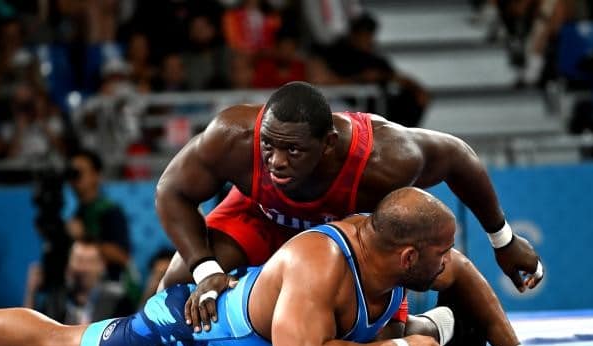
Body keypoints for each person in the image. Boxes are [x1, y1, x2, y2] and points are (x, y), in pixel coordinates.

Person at [0, 188, 593, 346]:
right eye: (440, 254)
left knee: (402, 331)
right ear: (410, 252)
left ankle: (415, 331)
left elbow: (469, 273)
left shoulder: (410, 252)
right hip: (192, 338)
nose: (451, 262)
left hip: (292, 330)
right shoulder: (318, 263)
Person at [155, 81, 545, 332]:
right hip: (261, 214)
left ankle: (432, 327)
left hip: (338, 238)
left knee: (367, 336)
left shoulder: (385, 158)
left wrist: (503, 239)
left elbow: (459, 157)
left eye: (293, 150)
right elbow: (170, 191)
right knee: (174, 291)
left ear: (328, 145)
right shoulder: (234, 138)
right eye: (269, 146)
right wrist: (206, 270)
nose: (276, 162)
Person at [67, 148, 132, 283]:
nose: (74, 179)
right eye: (71, 173)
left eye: (79, 173)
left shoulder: (110, 211)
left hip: (111, 284)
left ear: (96, 175)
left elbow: (122, 256)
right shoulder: (77, 214)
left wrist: (83, 238)